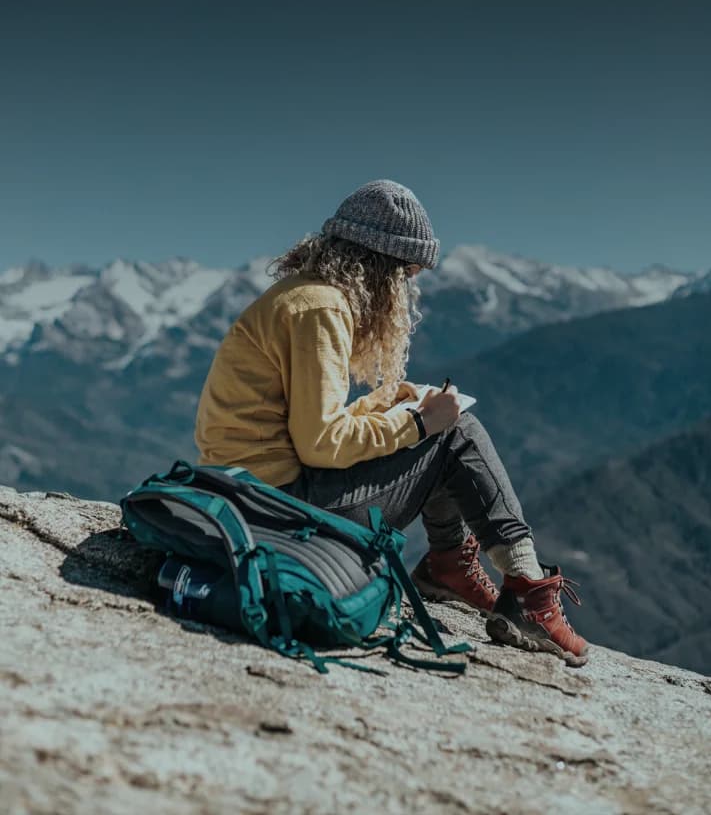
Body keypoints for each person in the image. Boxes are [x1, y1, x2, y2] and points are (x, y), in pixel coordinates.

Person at [194, 179, 587, 667]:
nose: (405, 291)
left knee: (440, 428)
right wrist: (419, 424)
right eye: (406, 276)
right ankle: (527, 591)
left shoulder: (300, 296)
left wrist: (382, 406)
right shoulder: (322, 309)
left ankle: (449, 566)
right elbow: (321, 444)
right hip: (279, 509)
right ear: (381, 268)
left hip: (247, 495)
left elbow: (298, 426)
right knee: (456, 432)